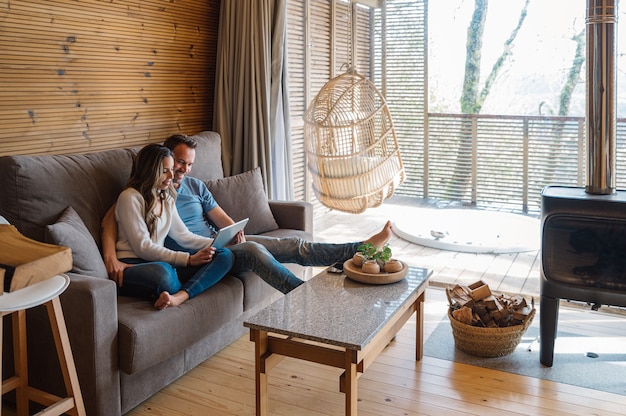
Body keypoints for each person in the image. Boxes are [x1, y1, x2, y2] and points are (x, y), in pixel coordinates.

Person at [102, 134, 392, 295]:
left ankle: (361, 250)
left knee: (292, 245)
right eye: (177, 163)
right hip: (189, 255)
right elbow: (112, 220)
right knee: (254, 250)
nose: (180, 171)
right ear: (161, 164)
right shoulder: (143, 193)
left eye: (187, 165)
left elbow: (219, 220)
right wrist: (111, 256)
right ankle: (303, 296)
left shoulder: (186, 188)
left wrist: (233, 234)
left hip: (212, 244)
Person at [112, 143, 234, 310]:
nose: (171, 175)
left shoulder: (166, 197)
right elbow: (143, 247)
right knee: (163, 274)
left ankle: (179, 296)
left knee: (224, 255)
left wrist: (217, 243)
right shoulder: (130, 197)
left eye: (171, 169)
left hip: (160, 262)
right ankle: (179, 286)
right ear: (149, 171)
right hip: (133, 264)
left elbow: (184, 236)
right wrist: (189, 260)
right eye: (164, 171)